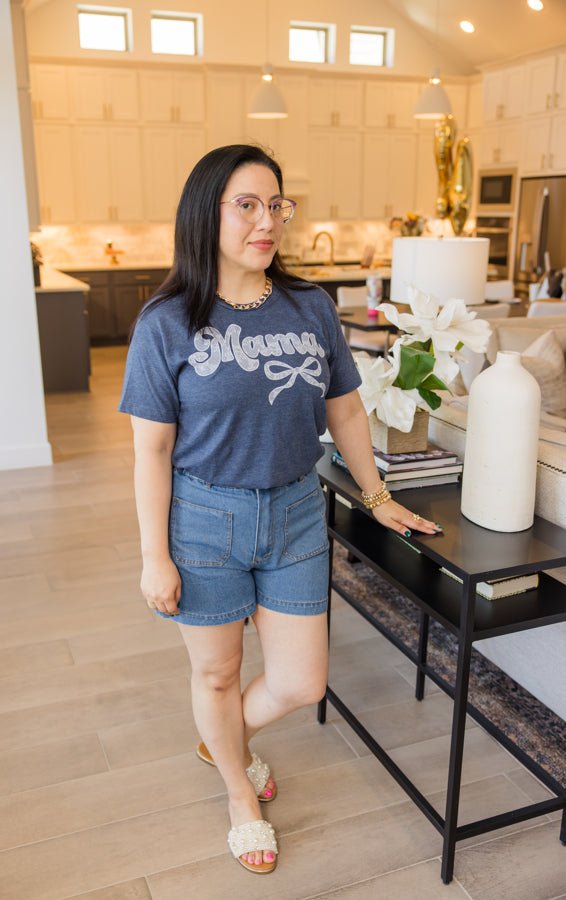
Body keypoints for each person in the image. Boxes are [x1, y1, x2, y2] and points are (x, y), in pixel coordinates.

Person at [119, 144, 441, 875]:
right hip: (203, 519)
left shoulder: (310, 306)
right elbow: (151, 450)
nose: (267, 222)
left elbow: (346, 409)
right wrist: (153, 556)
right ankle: (241, 793)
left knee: (301, 681)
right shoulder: (166, 321)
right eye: (247, 206)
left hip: (297, 511)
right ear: (206, 215)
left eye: (276, 205)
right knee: (217, 676)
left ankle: (222, 742)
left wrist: (378, 496)